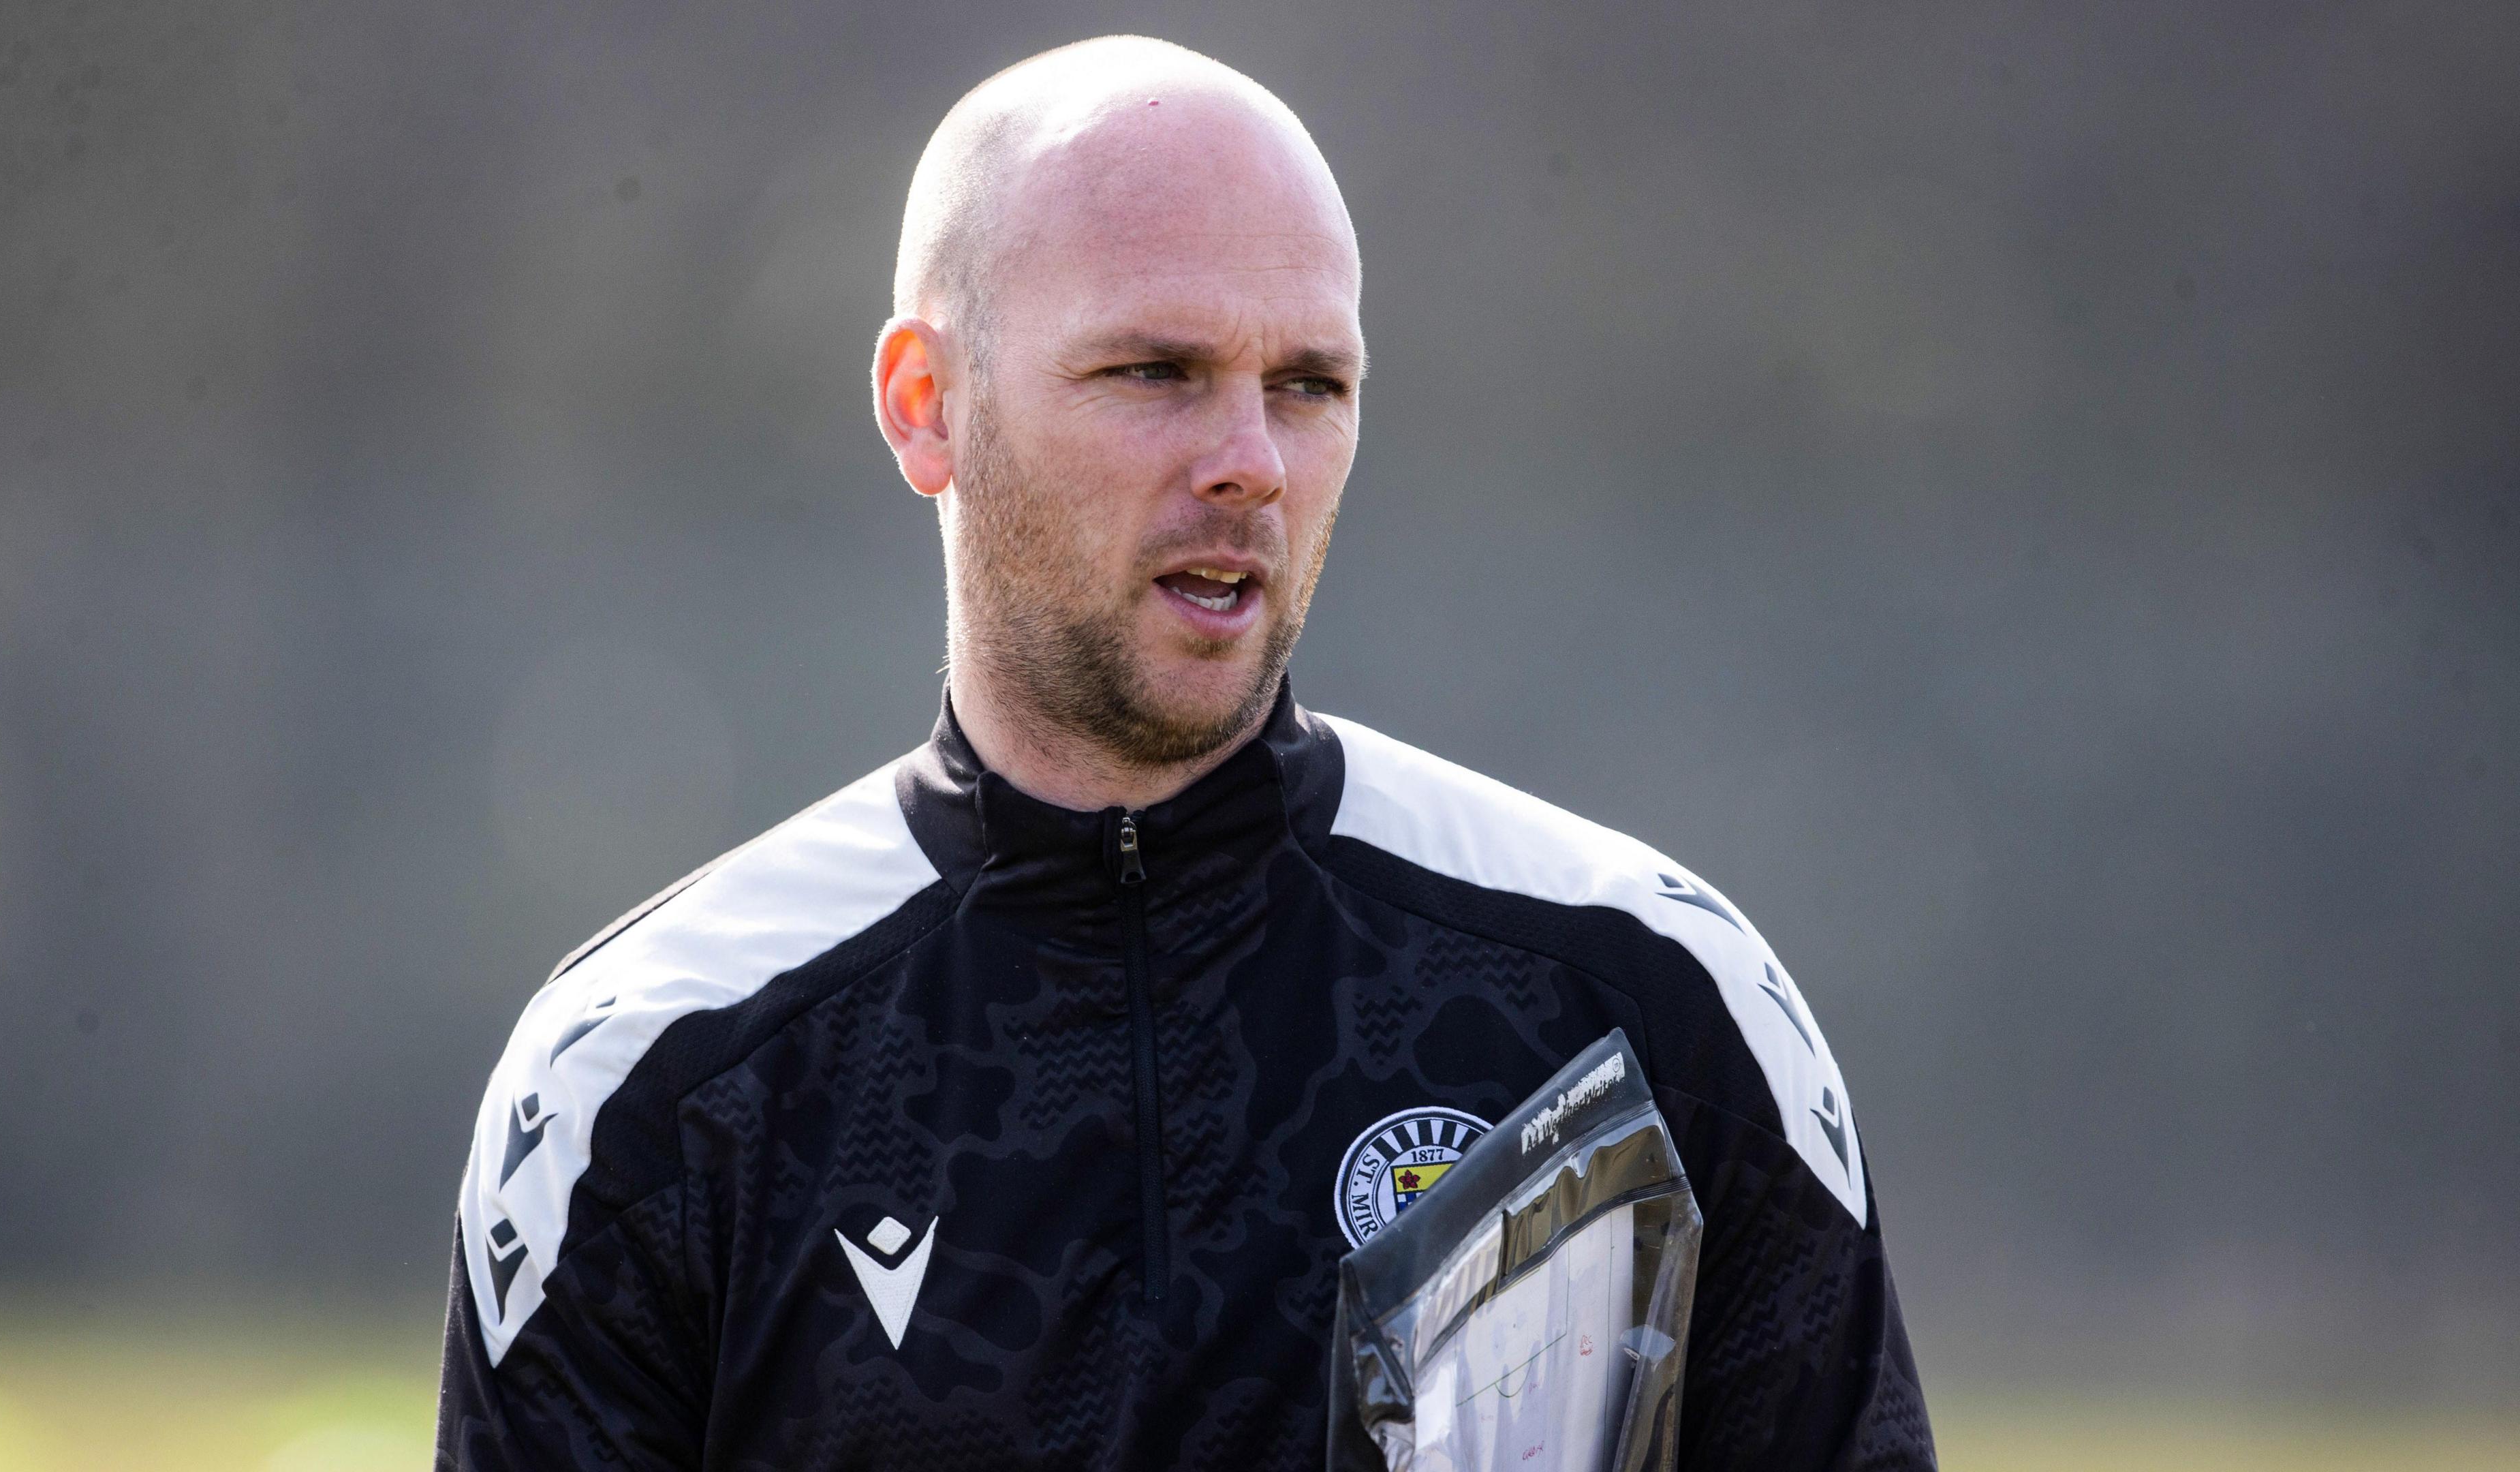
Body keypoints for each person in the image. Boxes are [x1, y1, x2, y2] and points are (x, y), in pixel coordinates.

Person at [435, 35, 1933, 1471]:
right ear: (925, 403)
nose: (1251, 463)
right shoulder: (655, 1078)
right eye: (1154, 371)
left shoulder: (1643, 1006)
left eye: (1309, 385)